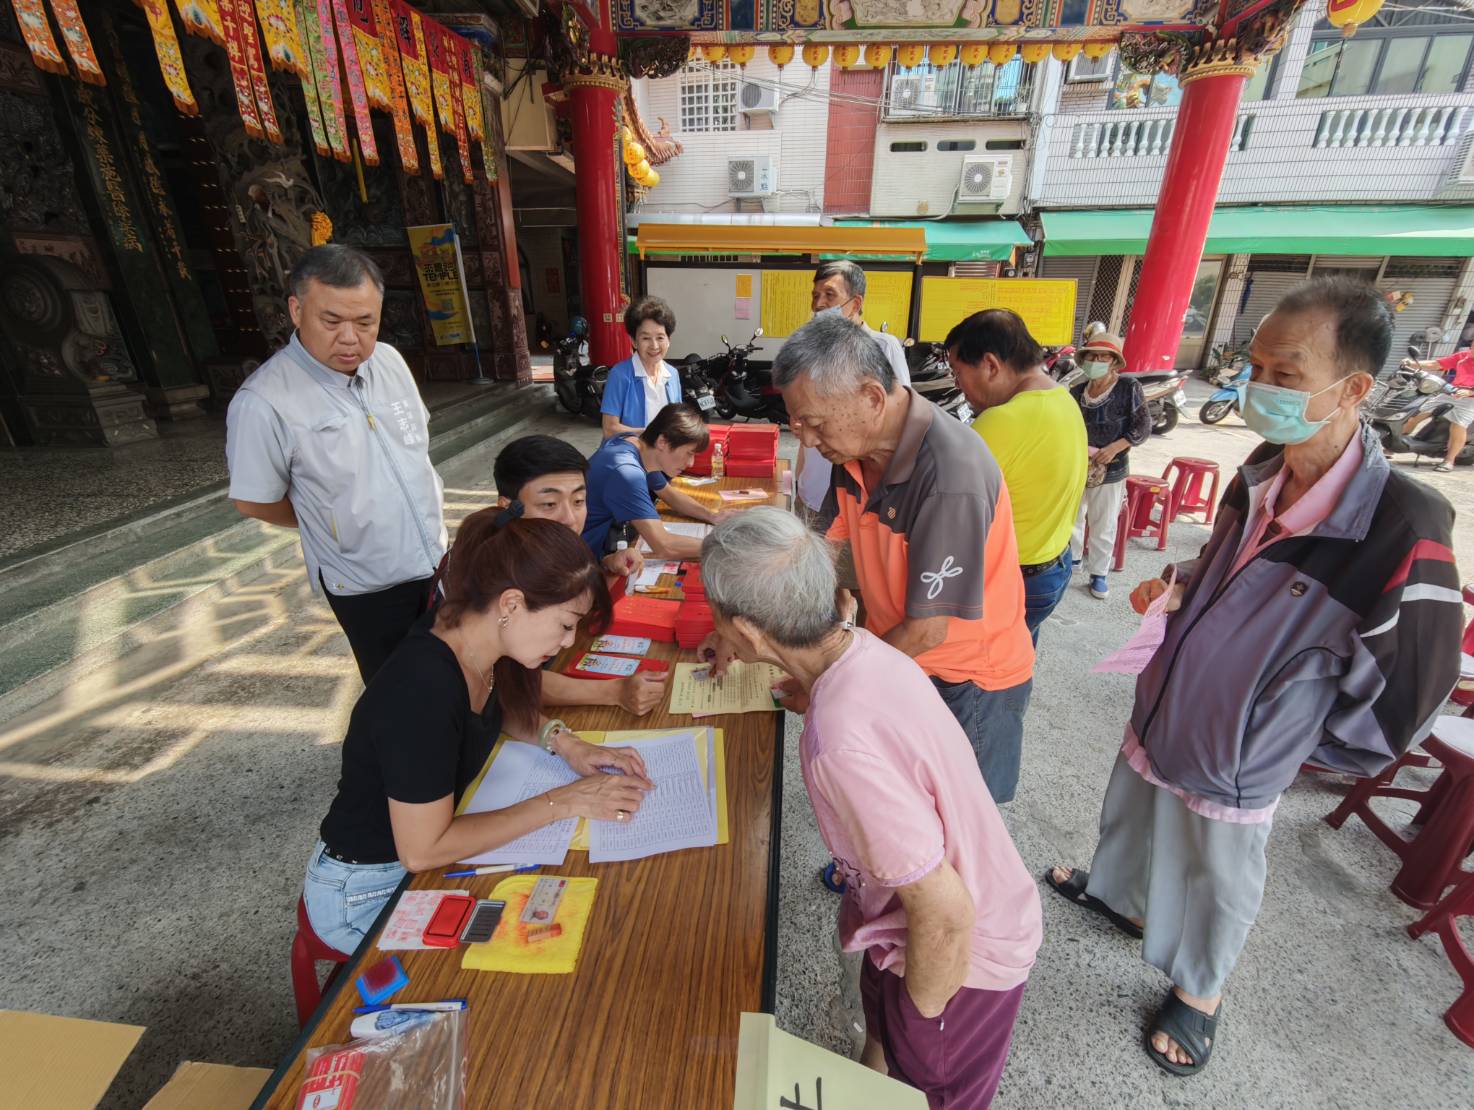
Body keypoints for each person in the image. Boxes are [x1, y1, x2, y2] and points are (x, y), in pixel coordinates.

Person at [1046, 277, 1462, 1078]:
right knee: (1136, 810)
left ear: (1353, 389)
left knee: (1219, 868)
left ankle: (1199, 993)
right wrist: (1177, 587)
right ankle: (1126, 902)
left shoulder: (1403, 524)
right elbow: (1220, 565)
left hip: (1244, 750)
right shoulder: (1261, 468)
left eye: (1285, 374)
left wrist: (1285, 735)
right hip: (1168, 701)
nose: (1259, 388)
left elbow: (1411, 690)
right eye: (1256, 367)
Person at [700, 509, 1041, 1107]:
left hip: (962, 958)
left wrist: (922, 1025)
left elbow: (946, 913)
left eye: (719, 619)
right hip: (903, 929)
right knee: (882, 1048)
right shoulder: (861, 650)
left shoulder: (840, 744)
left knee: (926, 1086)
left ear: (749, 632)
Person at [303, 513, 655, 954]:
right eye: (566, 625)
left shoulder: (474, 635)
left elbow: (495, 705)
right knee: (540, 948)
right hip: (369, 887)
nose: (569, 642)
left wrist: (565, 743)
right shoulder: (422, 688)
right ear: (511, 604)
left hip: (424, 855)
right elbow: (422, 851)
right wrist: (566, 801)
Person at [773, 314, 1036, 804]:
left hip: (964, 680)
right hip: (897, 655)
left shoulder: (949, 475)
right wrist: (751, 617)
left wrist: (828, 683)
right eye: (797, 423)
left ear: (872, 398)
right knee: (901, 797)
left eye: (814, 423)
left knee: (957, 816)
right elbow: (826, 551)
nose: (806, 440)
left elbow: (926, 631)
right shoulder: (854, 449)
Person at [227, 245, 446, 683]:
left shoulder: (389, 361)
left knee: (453, 672)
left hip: (435, 561)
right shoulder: (263, 401)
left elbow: (413, 448)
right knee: (399, 690)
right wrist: (332, 521)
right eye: (331, 321)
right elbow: (254, 501)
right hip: (366, 584)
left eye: (365, 322)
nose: (350, 338)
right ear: (296, 310)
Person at [488, 436, 668, 716]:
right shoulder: (496, 576)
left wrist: (607, 565)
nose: (570, 519)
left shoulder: (552, 546)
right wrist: (615, 692)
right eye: (549, 504)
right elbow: (503, 683)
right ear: (507, 507)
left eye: (579, 501)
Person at [947, 309, 1087, 642]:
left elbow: (948, 512)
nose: (958, 385)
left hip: (1013, 578)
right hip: (1054, 565)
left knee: (981, 665)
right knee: (1018, 653)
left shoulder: (1002, 420)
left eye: (958, 372)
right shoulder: (1063, 399)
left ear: (990, 365)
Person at [796, 261, 913, 556]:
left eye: (829, 295)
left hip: (860, 496)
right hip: (813, 487)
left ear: (855, 303)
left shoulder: (883, 347)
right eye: (815, 296)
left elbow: (900, 419)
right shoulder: (809, 349)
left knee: (854, 572)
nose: (819, 304)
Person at [1068, 331, 1150, 601]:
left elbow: (1142, 427)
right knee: (1072, 516)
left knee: (1103, 521)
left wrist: (1115, 447)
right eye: (1092, 356)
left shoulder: (1128, 388)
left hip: (1111, 467)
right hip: (1078, 463)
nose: (1096, 361)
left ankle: (1098, 573)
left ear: (1114, 362)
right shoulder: (1077, 391)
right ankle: (1073, 560)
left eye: (1103, 357)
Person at [582, 403, 722, 561]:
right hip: (581, 559)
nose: (691, 463)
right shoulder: (626, 472)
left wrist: (712, 516)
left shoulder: (638, 447)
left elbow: (670, 495)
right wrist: (724, 547)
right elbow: (664, 546)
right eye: (689, 453)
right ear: (662, 442)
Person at [601, 297, 682, 439]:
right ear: (634, 341)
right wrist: (649, 435)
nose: (654, 346)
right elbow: (609, 429)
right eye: (646, 338)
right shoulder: (620, 374)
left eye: (660, 338)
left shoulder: (672, 374)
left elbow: (677, 419)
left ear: (669, 340)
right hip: (629, 450)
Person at [1400, 345, 1474, 471]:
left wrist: (1470, 392)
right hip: (1451, 392)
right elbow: (1436, 364)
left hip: (1470, 399)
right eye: (1472, 346)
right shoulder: (1462, 356)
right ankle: (1394, 445)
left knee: (1458, 425)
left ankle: (1449, 460)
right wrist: (1412, 363)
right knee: (1415, 415)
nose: (1472, 350)